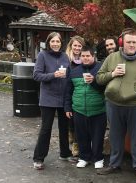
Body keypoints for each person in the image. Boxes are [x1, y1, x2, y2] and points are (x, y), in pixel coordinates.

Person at [96, 28, 136, 180]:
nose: (131, 45)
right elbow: (99, 78)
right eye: (128, 42)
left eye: (134, 42)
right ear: (121, 43)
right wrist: (113, 74)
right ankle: (114, 164)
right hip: (114, 104)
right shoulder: (112, 57)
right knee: (115, 136)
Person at [32, 32, 74, 170]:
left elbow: (68, 75)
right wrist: (53, 75)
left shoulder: (65, 56)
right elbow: (36, 75)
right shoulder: (42, 55)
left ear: (61, 43)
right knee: (46, 129)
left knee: (64, 128)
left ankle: (65, 153)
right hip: (48, 99)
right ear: (48, 42)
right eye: (53, 41)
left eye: (58, 41)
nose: (55, 44)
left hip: (63, 98)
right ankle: (38, 158)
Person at [64, 46, 106, 169]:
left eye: (88, 56)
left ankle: (98, 158)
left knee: (98, 135)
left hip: (98, 109)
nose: (85, 58)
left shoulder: (101, 69)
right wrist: (67, 108)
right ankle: (84, 157)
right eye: (83, 56)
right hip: (79, 109)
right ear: (80, 57)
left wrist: (94, 81)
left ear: (93, 56)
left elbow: (106, 88)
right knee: (81, 135)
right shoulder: (74, 71)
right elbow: (68, 91)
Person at [65, 35, 85, 157]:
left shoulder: (85, 59)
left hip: (79, 93)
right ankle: (71, 136)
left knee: (78, 121)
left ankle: (76, 144)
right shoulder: (65, 59)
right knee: (70, 119)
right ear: (71, 46)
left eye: (79, 46)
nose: (77, 48)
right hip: (67, 91)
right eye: (75, 45)